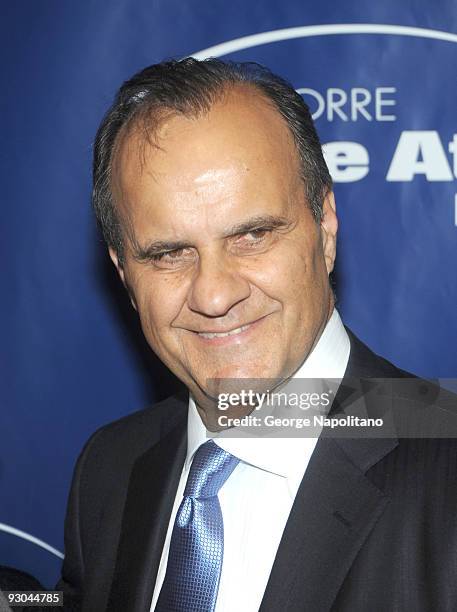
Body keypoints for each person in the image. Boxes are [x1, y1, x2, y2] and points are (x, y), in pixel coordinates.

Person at [57, 58, 457, 612]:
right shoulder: (109, 468)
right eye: (169, 254)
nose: (215, 296)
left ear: (325, 226)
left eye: (252, 235)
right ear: (125, 273)